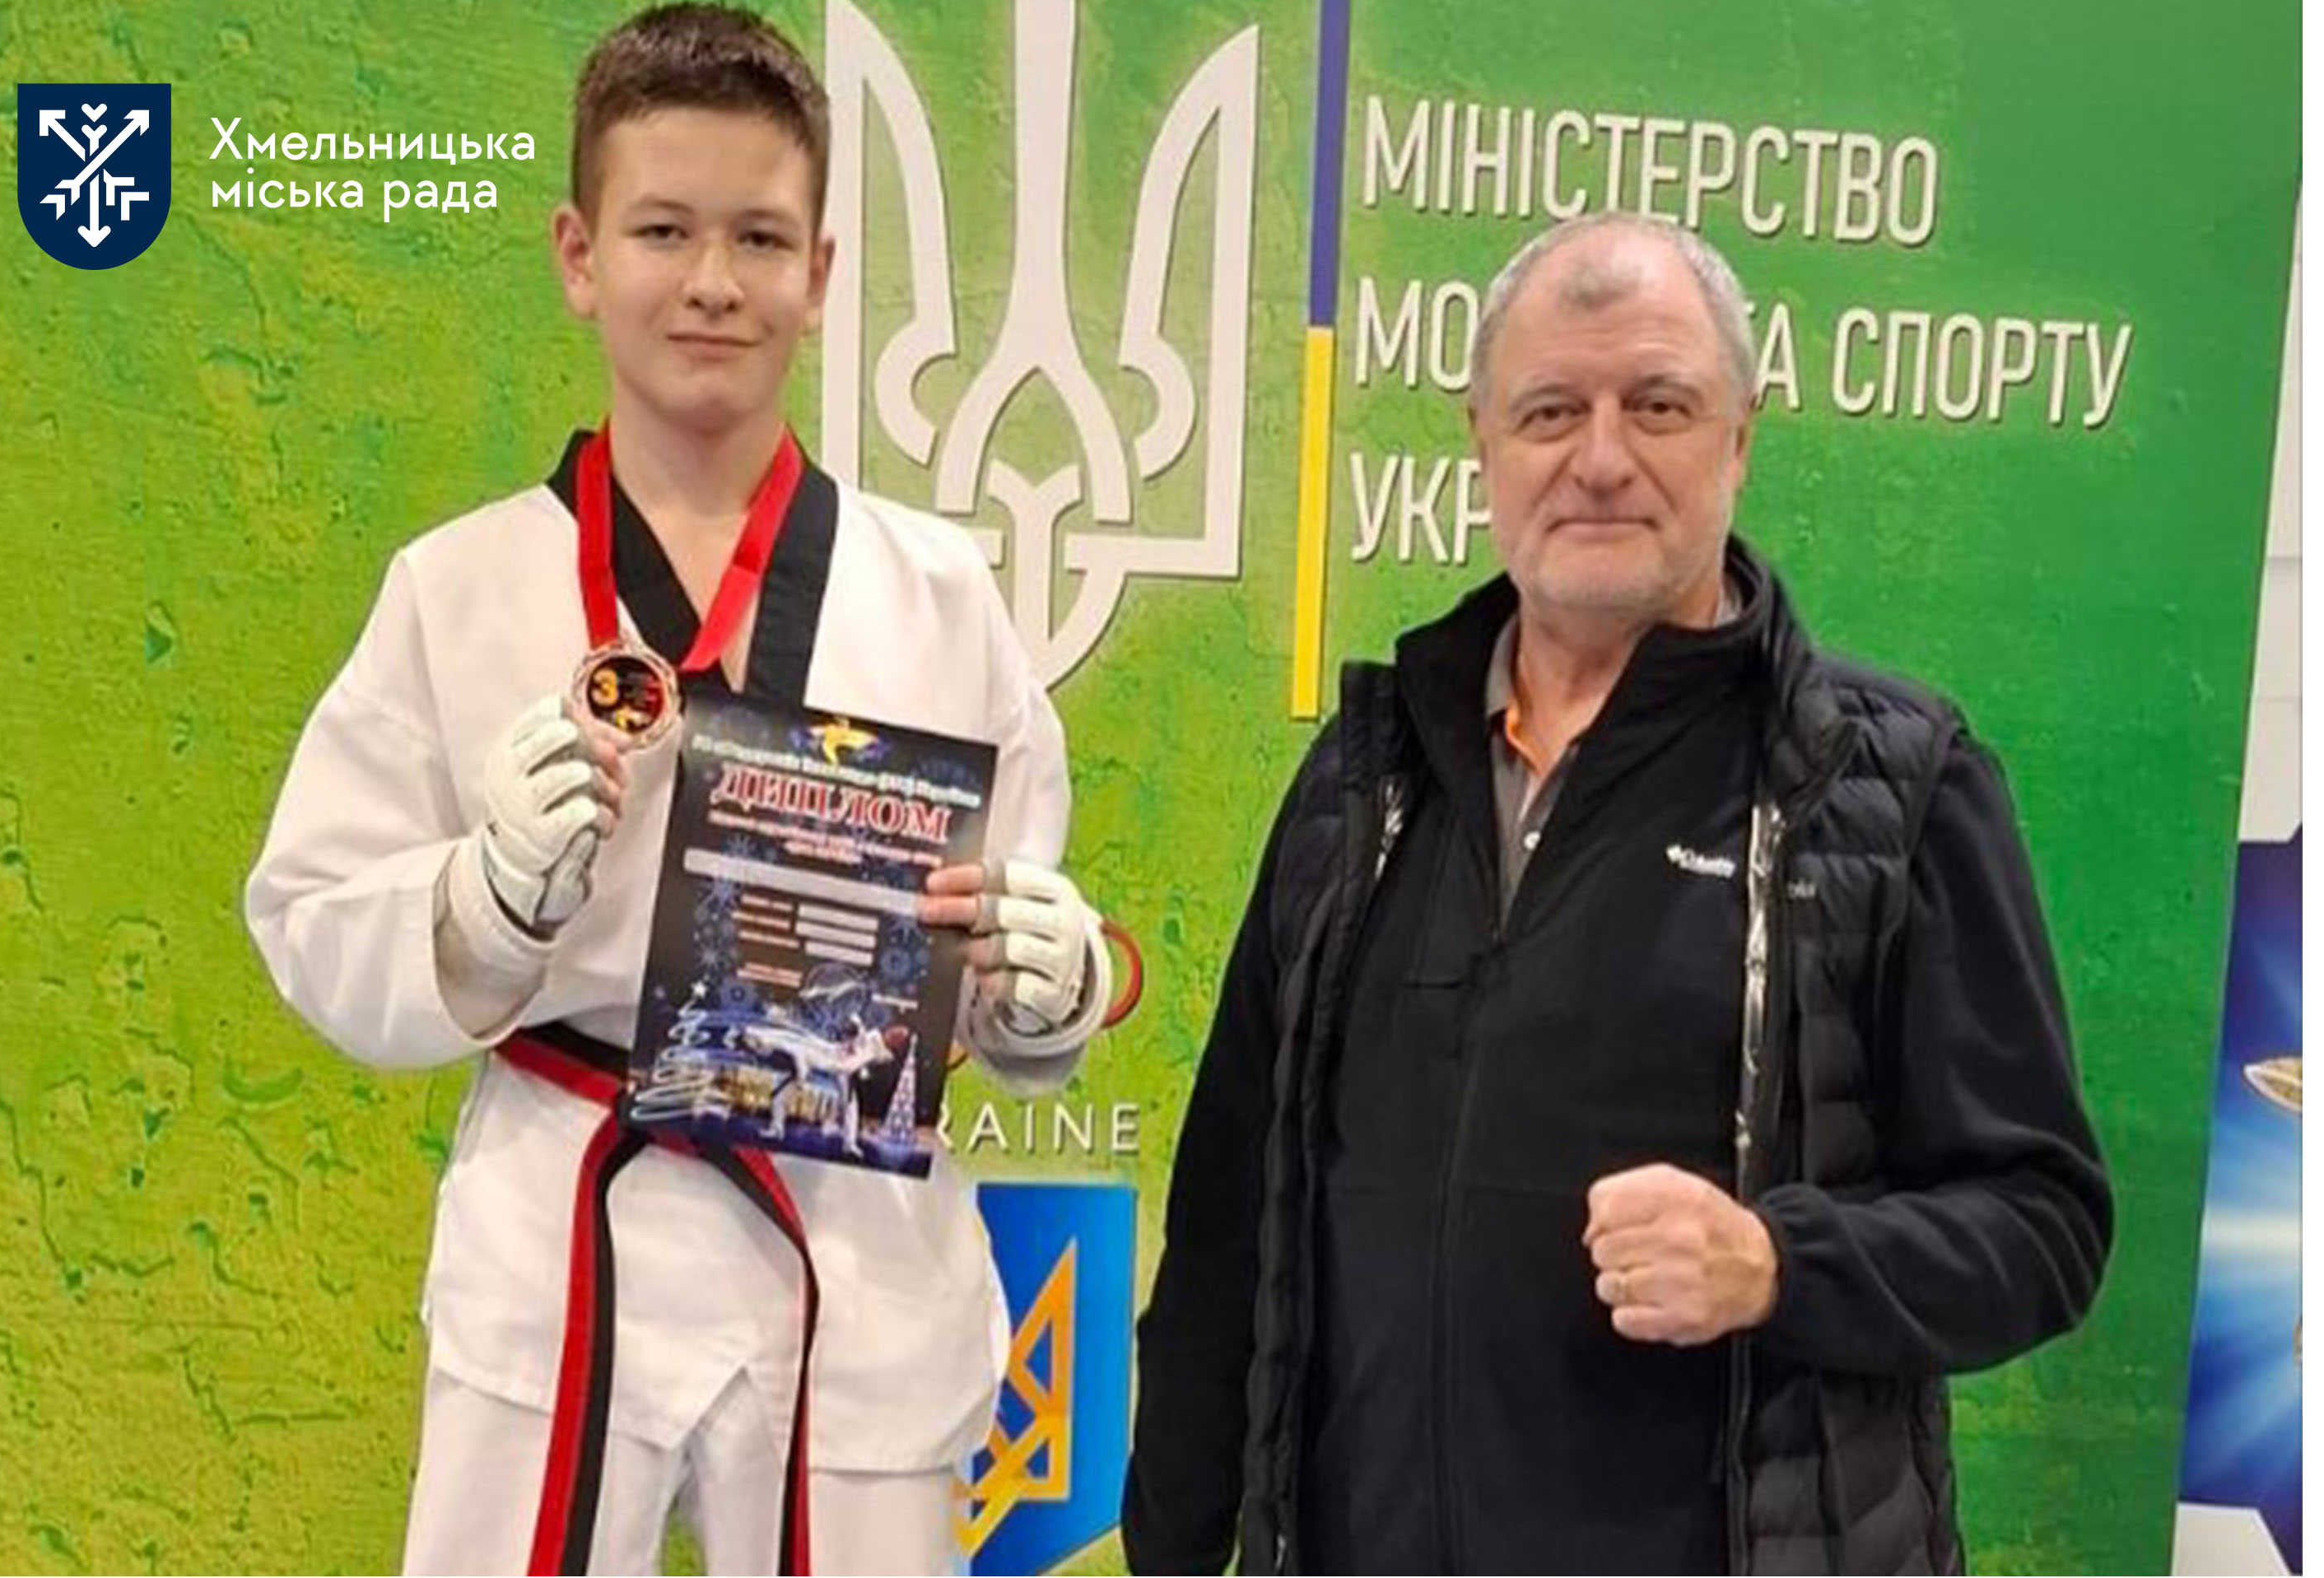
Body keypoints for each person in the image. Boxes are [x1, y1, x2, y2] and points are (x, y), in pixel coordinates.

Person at [244, 7, 1111, 1572]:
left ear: (819, 275)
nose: (712, 280)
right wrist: (481, 900)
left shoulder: (938, 592)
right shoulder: (459, 587)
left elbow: (1003, 951)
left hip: (852, 1240)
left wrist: (1037, 997)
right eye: (662, 230)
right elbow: (310, 913)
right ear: (580, 256)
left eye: (759, 237)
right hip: (563, 1231)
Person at [1122, 212, 2112, 1576]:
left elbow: (2043, 1224)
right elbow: (1232, 1222)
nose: (1598, 459)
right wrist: (1172, 1546)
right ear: (1482, 441)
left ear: (1739, 436)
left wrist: (1776, 1264)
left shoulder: (1887, 784)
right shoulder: (1366, 777)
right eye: (1549, 411)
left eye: (1657, 405)